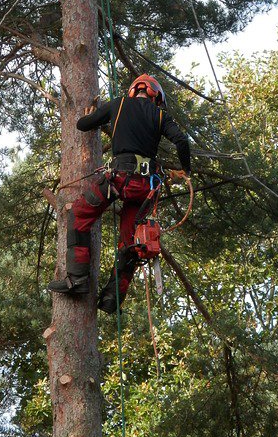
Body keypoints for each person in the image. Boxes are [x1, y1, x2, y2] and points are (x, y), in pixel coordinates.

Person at [48, 74, 191, 314]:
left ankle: (78, 280)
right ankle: (112, 299)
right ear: (156, 96)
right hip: (146, 188)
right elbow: (182, 141)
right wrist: (186, 169)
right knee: (131, 244)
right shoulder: (159, 115)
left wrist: (98, 115)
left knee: (80, 215)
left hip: (120, 179)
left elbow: (82, 125)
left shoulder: (118, 104)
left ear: (135, 90)